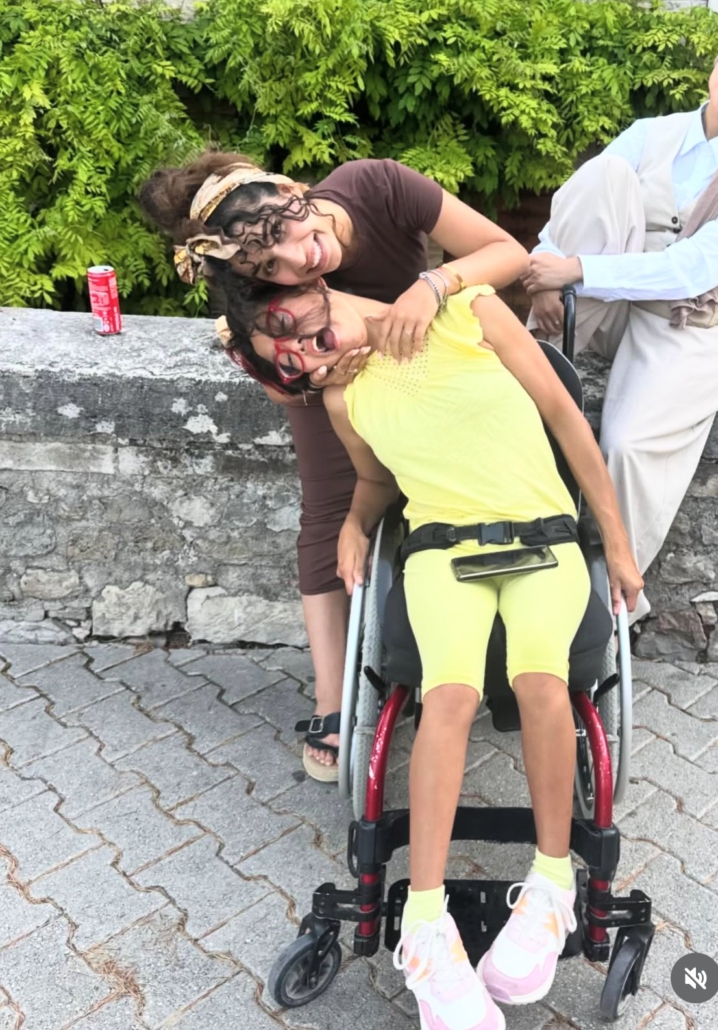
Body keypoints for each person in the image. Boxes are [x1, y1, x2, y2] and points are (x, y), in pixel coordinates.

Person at [218, 267, 642, 1030]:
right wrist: (355, 522)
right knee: (448, 697)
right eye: (289, 365)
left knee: (542, 682)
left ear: (311, 291)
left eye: (290, 331)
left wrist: (614, 538)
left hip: (543, 539)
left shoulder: (468, 312)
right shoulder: (345, 398)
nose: (304, 356)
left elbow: (564, 415)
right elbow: (377, 481)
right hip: (443, 552)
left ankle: (552, 886)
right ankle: (423, 925)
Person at [140, 154, 528, 780]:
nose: (295, 261)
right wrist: (315, 380)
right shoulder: (252, 271)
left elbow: (508, 252)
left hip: (433, 344)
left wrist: (429, 286)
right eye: (268, 267)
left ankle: (466, 646)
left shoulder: (378, 186)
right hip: (336, 368)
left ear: (291, 191)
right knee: (327, 508)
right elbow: (274, 378)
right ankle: (334, 699)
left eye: (282, 233)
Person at [521, 56, 718, 625]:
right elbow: (571, 212)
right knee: (604, 175)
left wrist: (577, 270)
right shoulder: (652, 134)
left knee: (628, 446)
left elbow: (693, 267)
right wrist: (547, 272)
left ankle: (600, 614)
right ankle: (531, 360)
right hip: (602, 303)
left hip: (688, 319)